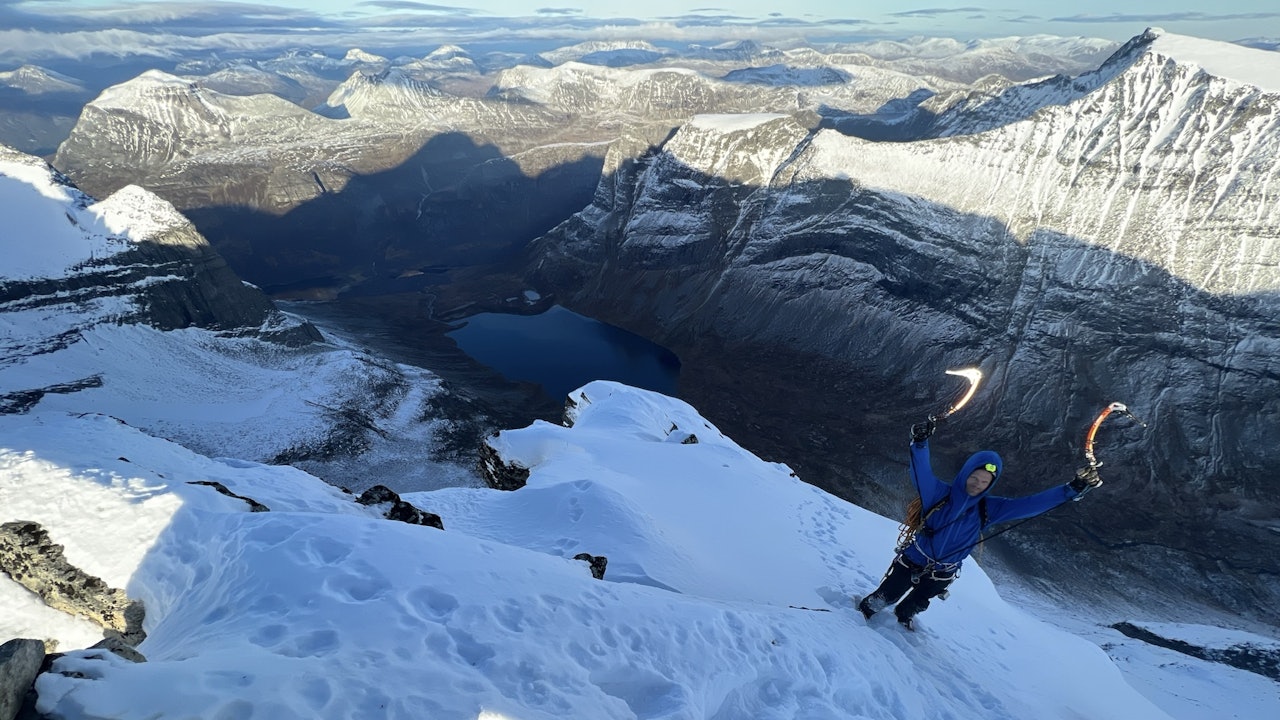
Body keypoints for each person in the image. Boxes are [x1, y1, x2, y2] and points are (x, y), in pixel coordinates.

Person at [857, 417, 1102, 630]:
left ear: (990, 485)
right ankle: (860, 615)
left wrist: (1072, 489)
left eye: (985, 482)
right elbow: (920, 471)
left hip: (942, 573)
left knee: (919, 602)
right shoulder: (938, 494)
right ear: (966, 474)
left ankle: (904, 617)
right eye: (974, 477)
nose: (978, 484)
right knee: (886, 595)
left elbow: (1029, 504)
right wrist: (920, 443)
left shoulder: (988, 508)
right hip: (913, 561)